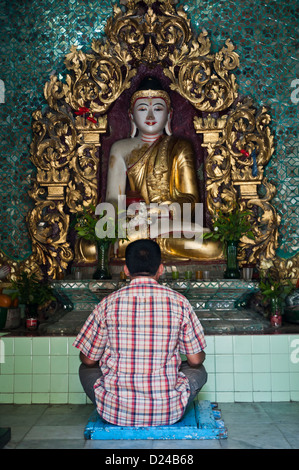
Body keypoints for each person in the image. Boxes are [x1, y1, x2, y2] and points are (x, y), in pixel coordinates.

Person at [73, 239, 207, 427]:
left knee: (85, 368)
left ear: (126, 270)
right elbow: (195, 360)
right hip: (167, 412)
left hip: (115, 412)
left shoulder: (107, 304)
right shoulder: (180, 303)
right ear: (161, 269)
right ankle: (164, 403)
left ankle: (115, 402)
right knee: (198, 370)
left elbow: (88, 360)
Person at [105, 76, 224, 261]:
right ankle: (149, 245)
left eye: (158, 109)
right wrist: (127, 217)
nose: (151, 116)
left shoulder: (180, 146)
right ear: (131, 116)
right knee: (92, 247)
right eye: (143, 109)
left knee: (214, 247)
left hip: (171, 225)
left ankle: (145, 247)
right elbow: (113, 199)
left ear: (169, 116)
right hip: (135, 225)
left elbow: (191, 199)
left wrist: (160, 211)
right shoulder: (120, 149)